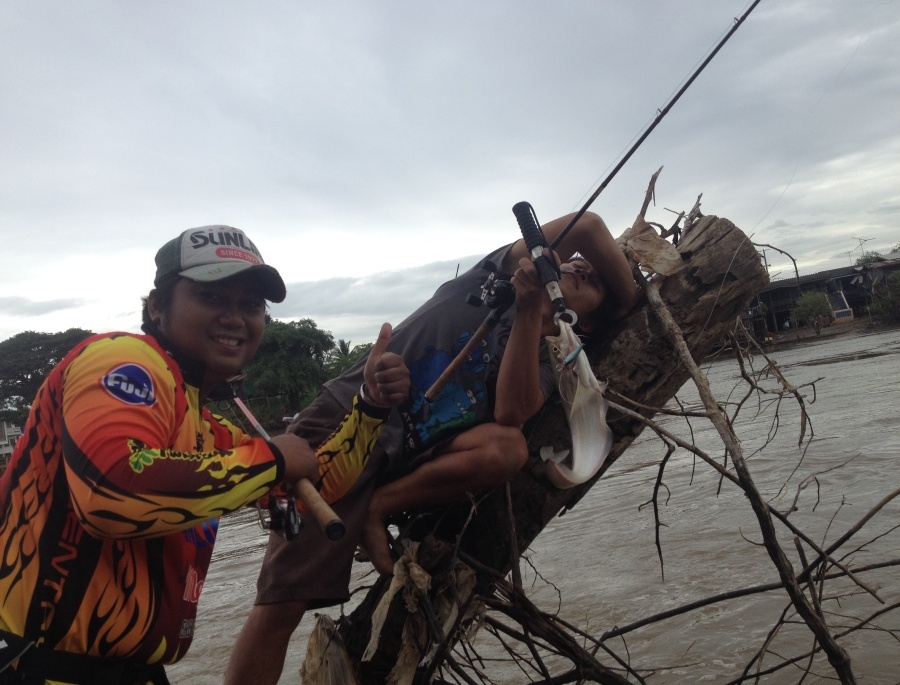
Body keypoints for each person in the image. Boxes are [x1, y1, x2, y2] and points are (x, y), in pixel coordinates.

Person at [225, 210, 639, 685]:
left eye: (597, 285)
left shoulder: (548, 361)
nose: (584, 266)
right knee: (282, 603)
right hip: (349, 416)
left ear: (584, 325)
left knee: (507, 448)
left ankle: (379, 508)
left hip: (409, 457)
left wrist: (537, 312)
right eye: (580, 263)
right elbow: (586, 225)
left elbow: (511, 414)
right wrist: (623, 295)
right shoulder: (496, 272)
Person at [0, 225, 408, 685]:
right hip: (40, 668)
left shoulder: (199, 425)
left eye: (251, 305)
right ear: (158, 307)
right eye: (212, 298)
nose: (236, 318)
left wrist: (370, 407)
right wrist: (272, 460)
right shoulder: (122, 359)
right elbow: (110, 492)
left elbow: (315, 487)